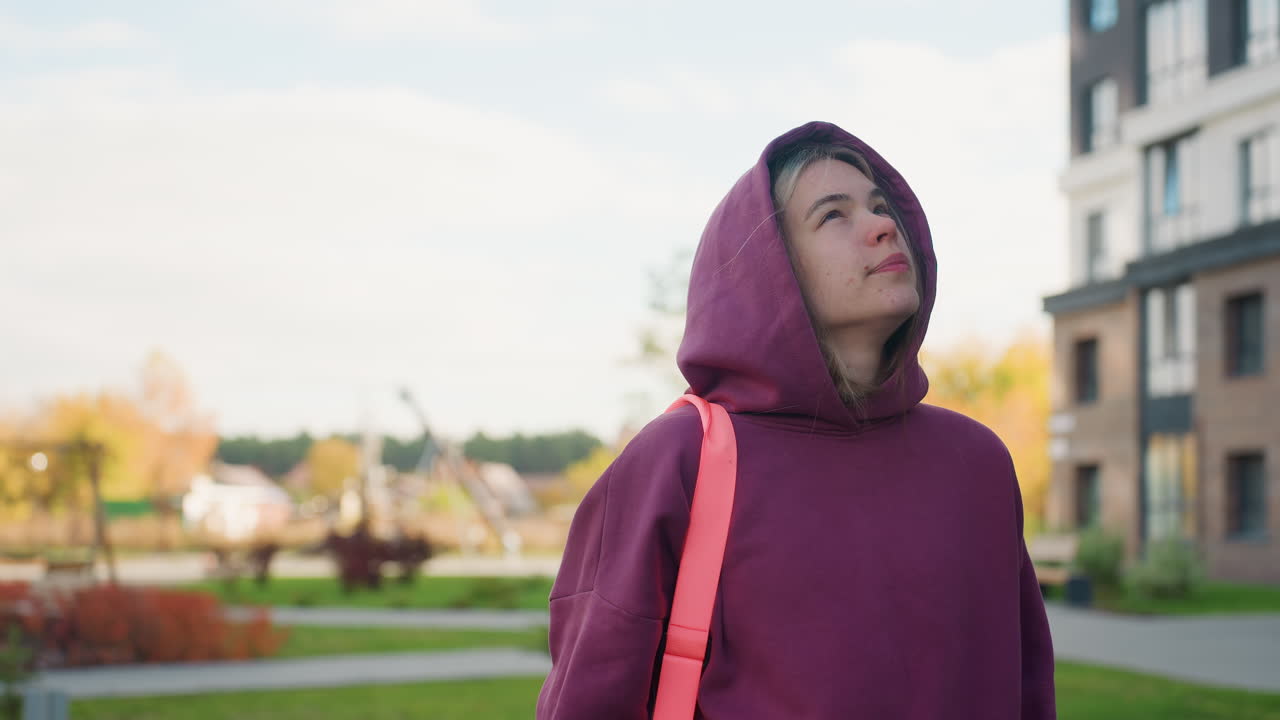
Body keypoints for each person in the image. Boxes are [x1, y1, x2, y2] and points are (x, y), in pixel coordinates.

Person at [536, 121, 1056, 719]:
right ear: (767, 265)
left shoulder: (976, 462)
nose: (885, 227)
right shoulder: (682, 457)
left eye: (881, 207)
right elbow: (593, 698)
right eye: (834, 216)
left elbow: (1028, 690)